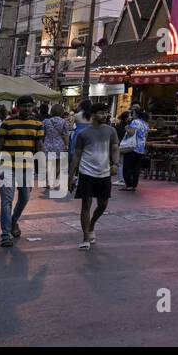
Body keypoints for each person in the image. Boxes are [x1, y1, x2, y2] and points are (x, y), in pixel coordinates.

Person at [0, 96, 44, 247]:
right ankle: (5, 234)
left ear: (33, 107)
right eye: (24, 106)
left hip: (27, 168)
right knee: (6, 201)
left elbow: (39, 146)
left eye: (29, 106)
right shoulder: (7, 123)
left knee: (24, 198)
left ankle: (14, 220)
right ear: (18, 107)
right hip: (7, 167)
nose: (27, 109)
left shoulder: (38, 124)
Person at [72, 104, 119, 250]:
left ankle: (91, 224)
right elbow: (77, 155)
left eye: (105, 112)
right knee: (86, 204)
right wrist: (70, 176)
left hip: (104, 173)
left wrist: (115, 164)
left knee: (103, 204)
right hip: (86, 172)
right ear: (92, 114)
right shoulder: (83, 133)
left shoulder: (111, 131)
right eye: (101, 113)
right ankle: (86, 237)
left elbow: (115, 148)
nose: (104, 115)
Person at [40, 104, 72, 198]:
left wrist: (41, 143)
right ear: (62, 112)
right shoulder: (64, 122)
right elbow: (66, 134)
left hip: (48, 144)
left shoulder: (46, 121)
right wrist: (66, 145)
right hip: (59, 145)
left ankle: (48, 182)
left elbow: (42, 133)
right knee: (58, 164)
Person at [120, 107, 149, 192]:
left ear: (135, 114)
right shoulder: (145, 123)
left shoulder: (135, 122)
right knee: (136, 168)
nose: (131, 115)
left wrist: (126, 128)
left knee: (127, 167)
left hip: (132, 147)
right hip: (141, 148)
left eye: (132, 113)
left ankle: (128, 185)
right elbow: (146, 136)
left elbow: (131, 133)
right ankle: (133, 185)